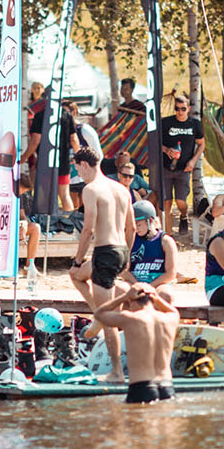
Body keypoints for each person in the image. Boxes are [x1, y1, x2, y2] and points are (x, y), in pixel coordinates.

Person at [68, 146, 133, 384]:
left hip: (105, 252)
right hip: (121, 251)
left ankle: (116, 372)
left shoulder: (91, 189)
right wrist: (126, 255)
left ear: (85, 165)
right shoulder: (121, 188)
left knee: (109, 319)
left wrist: (77, 259)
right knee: (76, 276)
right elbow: (132, 228)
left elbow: (88, 229)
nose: (78, 174)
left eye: (77, 168)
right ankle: (97, 314)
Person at [92, 283, 180, 404]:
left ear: (132, 301)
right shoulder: (170, 319)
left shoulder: (130, 318)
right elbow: (173, 311)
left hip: (141, 387)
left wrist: (123, 297)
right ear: (153, 300)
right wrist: (156, 298)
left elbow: (99, 313)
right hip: (167, 386)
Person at [160, 95, 204, 237]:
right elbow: (155, 142)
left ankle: (183, 217)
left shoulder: (194, 124)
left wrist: (193, 161)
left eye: (183, 109)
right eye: (177, 109)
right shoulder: (165, 123)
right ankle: (168, 235)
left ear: (188, 109)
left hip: (184, 169)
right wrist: (166, 150)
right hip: (166, 168)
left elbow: (201, 144)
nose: (180, 112)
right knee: (167, 202)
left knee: (181, 202)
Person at [121, 200, 178, 291]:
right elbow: (124, 271)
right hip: (134, 282)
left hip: (158, 283)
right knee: (119, 290)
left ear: (150, 220)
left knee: (166, 294)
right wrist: (137, 285)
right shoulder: (130, 240)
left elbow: (170, 274)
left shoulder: (166, 241)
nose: (135, 229)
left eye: (138, 225)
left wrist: (150, 286)